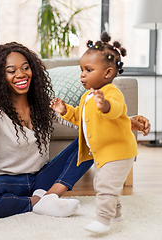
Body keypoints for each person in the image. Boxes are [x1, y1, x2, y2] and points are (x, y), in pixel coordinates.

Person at [0, 42, 150, 220]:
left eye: (25, 68)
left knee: (87, 139)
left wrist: (128, 121)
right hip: (8, 181)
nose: (20, 74)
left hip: (43, 177)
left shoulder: (44, 103)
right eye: (11, 70)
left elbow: (87, 121)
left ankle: (53, 194)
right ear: (1, 77)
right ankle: (38, 202)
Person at [50, 32, 137, 234]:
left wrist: (104, 105)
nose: (82, 74)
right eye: (81, 69)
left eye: (88, 70)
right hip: (103, 153)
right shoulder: (88, 96)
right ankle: (116, 215)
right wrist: (65, 111)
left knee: (106, 185)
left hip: (119, 152)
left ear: (107, 73)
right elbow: (80, 117)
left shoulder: (111, 93)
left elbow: (116, 109)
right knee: (101, 183)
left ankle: (103, 220)